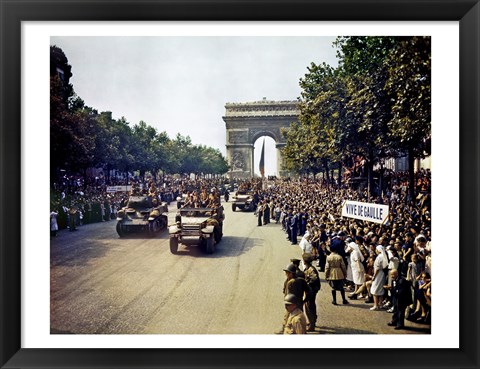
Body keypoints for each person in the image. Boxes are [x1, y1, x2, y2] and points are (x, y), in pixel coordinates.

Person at [303, 254, 320, 331]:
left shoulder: (311, 269)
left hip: (311, 290)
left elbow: (314, 278)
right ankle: (311, 321)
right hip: (310, 290)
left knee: (310, 307)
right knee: (309, 306)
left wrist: (307, 283)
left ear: (304, 261)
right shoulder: (308, 268)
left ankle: (312, 325)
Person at [369, 245, 388, 310]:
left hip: (378, 274)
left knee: (375, 289)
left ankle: (376, 305)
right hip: (382, 274)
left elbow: (377, 268)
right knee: (380, 289)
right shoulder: (384, 256)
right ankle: (381, 304)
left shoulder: (379, 257)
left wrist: (374, 276)